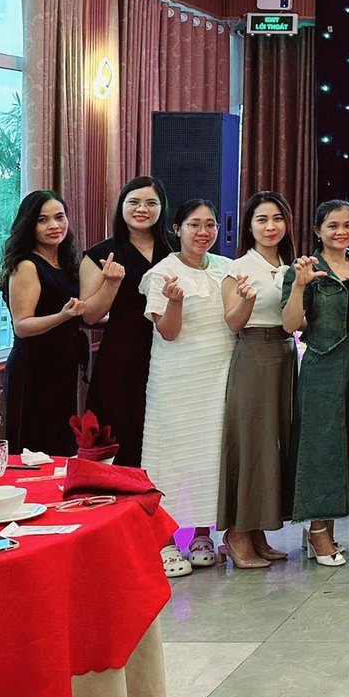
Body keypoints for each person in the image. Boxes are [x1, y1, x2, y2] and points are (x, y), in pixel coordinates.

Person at [141, 198, 234, 577]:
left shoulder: (227, 268)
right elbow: (168, 331)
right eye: (194, 224)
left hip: (218, 376)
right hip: (176, 379)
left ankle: (202, 534)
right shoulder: (163, 273)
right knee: (169, 454)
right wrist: (175, 303)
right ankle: (163, 540)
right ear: (177, 229)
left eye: (210, 224)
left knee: (209, 455)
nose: (203, 232)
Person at [281, 199, 349, 567]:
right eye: (333, 225)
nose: (341, 232)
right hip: (324, 364)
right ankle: (318, 531)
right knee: (322, 449)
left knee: (348, 448)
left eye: (348, 225)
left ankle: (326, 528)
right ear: (317, 230)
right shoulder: (305, 268)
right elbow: (290, 324)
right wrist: (299, 285)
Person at [216, 191, 298, 568]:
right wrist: (247, 302)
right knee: (251, 443)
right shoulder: (238, 269)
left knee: (274, 444)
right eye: (262, 219)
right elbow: (232, 323)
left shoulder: (291, 267)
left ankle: (258, 531)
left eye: (277, 219)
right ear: (249, 226)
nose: (270, 227)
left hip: (285, 355)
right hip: (252, 355)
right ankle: (236, 533)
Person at [81, 177, 173, 466]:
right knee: (120, 433)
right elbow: (89, 314)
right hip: (122, 353)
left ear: (162, 208)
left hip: (171, 349)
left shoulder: (177, 249)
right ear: (121, 206)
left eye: (151, 203)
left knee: (167, 434)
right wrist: (111, 283)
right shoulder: (100, 254)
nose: (142, 209)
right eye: (134, 202)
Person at [0, 190, 89, 456]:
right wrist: (63, 316)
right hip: (34, 368)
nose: (54, 225)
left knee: (60, 446)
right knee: (34, 450)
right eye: (43, 220)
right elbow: (22, 325)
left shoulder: (66, 262)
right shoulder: (27, 265)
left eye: (59, 217)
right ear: (29, 225)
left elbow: (78, 313)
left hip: (63, 365)